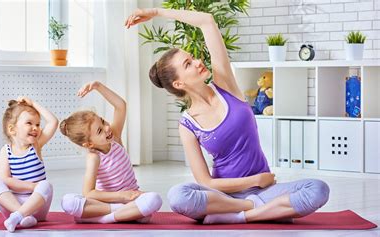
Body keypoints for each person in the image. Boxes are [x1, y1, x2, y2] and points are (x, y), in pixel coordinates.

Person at [125, 8, 330, 224]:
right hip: (225, 196)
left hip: (263, 192)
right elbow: (205, 182)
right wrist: (255, 180)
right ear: (178, 84)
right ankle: (257, 211)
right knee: (178, 196)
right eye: (188, 64)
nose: (197, 62)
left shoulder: (225, 85)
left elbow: (206, 21)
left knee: (318, 190)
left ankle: (239, 216)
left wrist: (156, 11)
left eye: (192, 58)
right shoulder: (188, 124)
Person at [60, 81, 162, 223]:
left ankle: (100, 219)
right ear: (89, 143)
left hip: (130, 199)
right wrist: (122, 196)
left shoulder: (115, 137)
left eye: (103, 121)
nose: (107, 128)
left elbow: (121, 106)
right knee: (68, 202)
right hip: (111, 202)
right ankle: (116, 214)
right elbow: (88, 193)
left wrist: (98, 86)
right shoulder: (94, 157)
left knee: (154, 200)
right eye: (100, 130)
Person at [0, 97, 58, 232]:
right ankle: (21, 215)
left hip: (36, 206)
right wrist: (31, 186)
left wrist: (33, 104)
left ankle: (18, 216)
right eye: (29, 123)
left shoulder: (36, 145)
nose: (35, 128)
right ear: (12, 129)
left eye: (37, 124)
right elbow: (6, 179)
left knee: (45, 185)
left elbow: (53, 122)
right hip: (13, 204)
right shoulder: (5, 151)